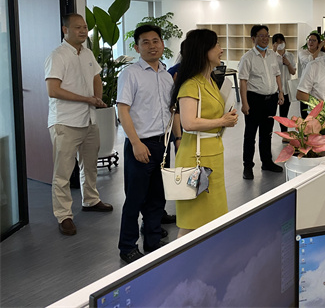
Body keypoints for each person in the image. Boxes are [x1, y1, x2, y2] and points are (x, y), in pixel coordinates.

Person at [116, 25, 181, 264]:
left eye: (156, 41)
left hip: (162, 144)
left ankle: (153, 240)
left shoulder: (166, 75)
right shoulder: (130, 74)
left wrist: (178, 139)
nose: (152, 46)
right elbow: (123, 110)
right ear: (136, 47)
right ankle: (127, 247)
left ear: (162, 44)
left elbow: (172, 110)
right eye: (145, 42)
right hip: (140, 144)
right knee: (135, 199)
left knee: (157, 197)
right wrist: (135, 143)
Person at [45, 13, 113, 236]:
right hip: (65, 121)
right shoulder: (57, 56)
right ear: (65, 30)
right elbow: (53, 90)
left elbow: (96, 77)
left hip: (89, 119)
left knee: (90, 165)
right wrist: (87, 99)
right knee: (63, 172)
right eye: (77, 28)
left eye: (85, 27)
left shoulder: (87, 53)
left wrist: (97, 98)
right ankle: (63, 215)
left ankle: (91, 200)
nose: (83, 31)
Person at [170, 29, 238, 238]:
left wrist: (225, 119)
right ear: (203, 50)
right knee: (192, 220)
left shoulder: (209, 81)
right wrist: (222, 121)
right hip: (196, 157)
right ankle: (181, 257)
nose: (221, 49)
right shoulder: (191, 84)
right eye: (216, 45)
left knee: (211, 217)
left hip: (211, 153)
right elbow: (188, 122)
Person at [238, 25, 285, 180]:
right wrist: (244, 103)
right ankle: (247, 166)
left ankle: (267, 162)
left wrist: (280, 92)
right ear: (253, 38)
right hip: (254, 100)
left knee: (267, 133)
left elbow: (277, 74)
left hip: (271, 100)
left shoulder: (272, 55)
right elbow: (243, 81)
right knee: (250, 134)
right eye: (261, 36)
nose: (265, 39)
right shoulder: (248, 57)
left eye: (267, 36)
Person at [272, 33, 296, 137]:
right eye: (277, 42)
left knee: (284, 114)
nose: (279, 44)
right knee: (272, 114)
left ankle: (284, 134)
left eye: (281, 42)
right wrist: (273, 51)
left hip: (286, 89)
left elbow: (293, 72)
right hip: (273, 89)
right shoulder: (271, 56)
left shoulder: (290, 56)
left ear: (285, 42)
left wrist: (288, 63)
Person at [297, 31, 325, 118]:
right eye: (309, 40)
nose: (311, 42)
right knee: (304, 114)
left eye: (314, 40)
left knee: (316, 113)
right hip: (305, 86)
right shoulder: (303, 53)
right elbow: (310, 61)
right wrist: (319, 48)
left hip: (318, 86)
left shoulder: (323, 54)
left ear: (318, 42)